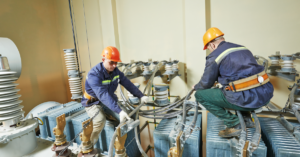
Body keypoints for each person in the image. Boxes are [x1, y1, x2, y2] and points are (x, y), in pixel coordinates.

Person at [193, 27, 274, 137]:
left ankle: (234, 123)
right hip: (265, 95)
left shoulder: (215, 55)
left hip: (245, 98)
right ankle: (247, 119)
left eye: (209, 48)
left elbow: (206, 83)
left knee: (200, 95)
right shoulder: (242, 48)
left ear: (211, 45)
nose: (210, 50)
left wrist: (197, 86)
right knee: (236, 87)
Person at [81, 46, 148, 150]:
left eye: (116, 63)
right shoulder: (94, 74)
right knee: (100, 120)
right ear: (103, 60)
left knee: (127, 119)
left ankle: (121, 149)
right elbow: (102, 94)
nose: (114, 65)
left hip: (109, 100)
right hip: (92, 103)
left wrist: (141, 95)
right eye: (111, 62)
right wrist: (119, 111)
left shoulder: (116, 72)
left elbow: (128, 84)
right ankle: (87, 147)